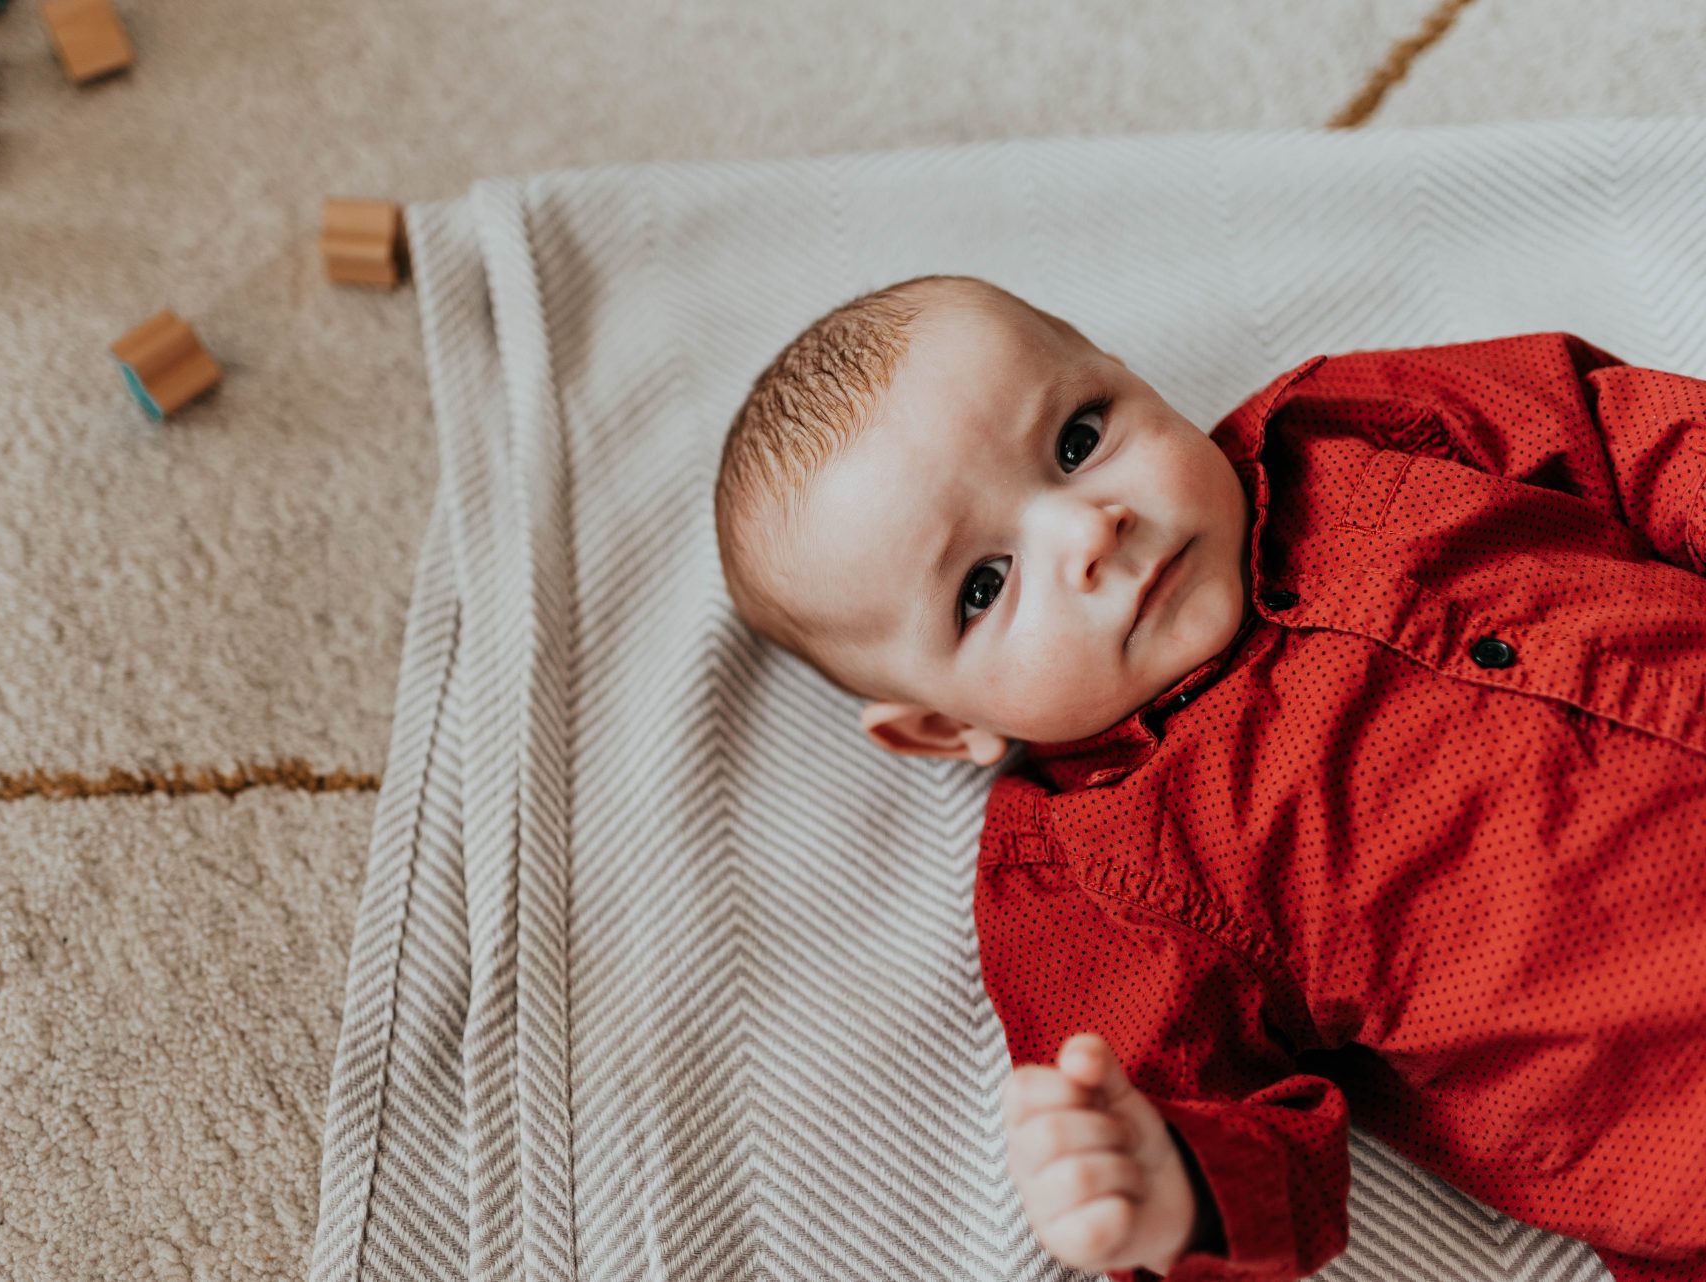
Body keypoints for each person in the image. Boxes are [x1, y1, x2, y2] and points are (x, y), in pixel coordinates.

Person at [711, 273, 1706, 1282]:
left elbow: (1613, 429)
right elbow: (1212, 1121)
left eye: (1077, 439)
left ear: (1126, 375)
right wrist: (1164, 1181)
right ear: (940, 726)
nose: (1090, 529)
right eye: (984, 584)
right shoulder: (1098, 880)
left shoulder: (1346, 430)